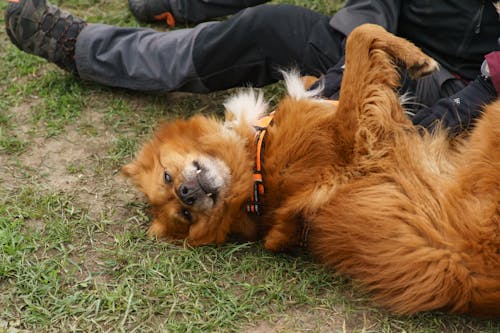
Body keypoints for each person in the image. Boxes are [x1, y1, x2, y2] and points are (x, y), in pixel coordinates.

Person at [5, 0, 500, 135]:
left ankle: (85, 47)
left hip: (455, 93)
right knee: (277, 27)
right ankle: (179, 4)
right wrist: (361, 48)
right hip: (382, 38)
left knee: (270, 26)